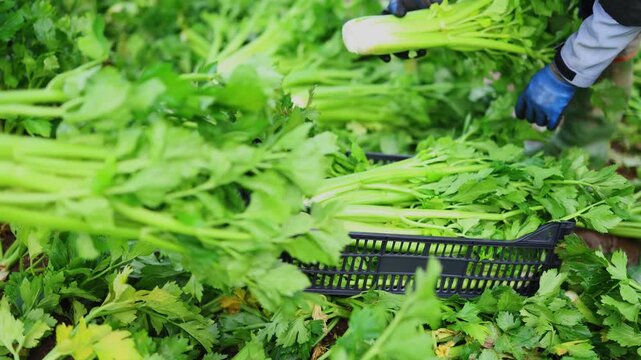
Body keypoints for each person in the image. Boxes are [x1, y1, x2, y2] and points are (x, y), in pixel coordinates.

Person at [384, 0, 641, 167]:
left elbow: (626, 13)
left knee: (608, 55)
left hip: (621, 12)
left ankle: (582, 156)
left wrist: (564, 73)